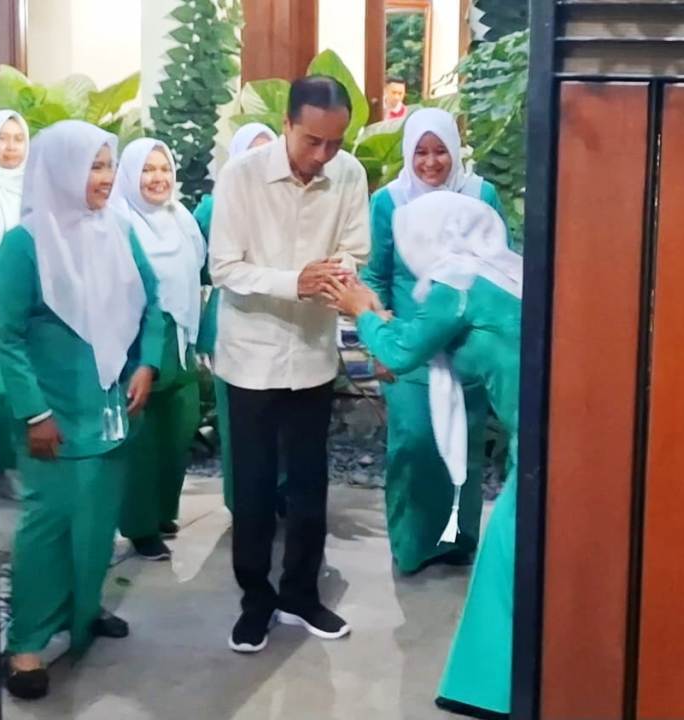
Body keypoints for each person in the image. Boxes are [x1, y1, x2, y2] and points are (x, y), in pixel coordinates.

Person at [327, 191, 522, 720]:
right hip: (553, 428)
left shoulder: (456, 284)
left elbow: (401, 350)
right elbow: (430, 342)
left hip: (544, 439)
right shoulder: (502, 273)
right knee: (515, 550)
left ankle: (491, 690)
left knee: (508, 549)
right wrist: (385, 327)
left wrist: (360, 311)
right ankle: (494, 683)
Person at [0, 120, 165, 700]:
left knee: (96, 522)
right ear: (61, 170)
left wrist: (148, 364)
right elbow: (6, 337)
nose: (105, 177)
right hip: (54, 417)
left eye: (108, 164)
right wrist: (34, 413)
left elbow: (152, 302)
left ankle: (84, 612)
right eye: (93, 166)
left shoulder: (117, 229)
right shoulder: (24, 245)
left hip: (114, 407)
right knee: (49, 527)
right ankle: (25, 644)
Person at [209, 76, 369, 654]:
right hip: (250, 356)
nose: (323, 155)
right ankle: (256, 600)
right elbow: (224, 267)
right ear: (287, 124)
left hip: (312, 354)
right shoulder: (241, 177)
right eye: (312, 141)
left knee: (308, 486)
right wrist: (294, 281)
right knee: (253, 488)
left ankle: (301, 594)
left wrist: (337, 271)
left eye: (334, 143)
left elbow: (356, 248)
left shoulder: (348, 174)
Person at [361, 107, 507, 574]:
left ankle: (458, 543)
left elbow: (501, 263)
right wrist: (378, 340)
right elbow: (375, 274)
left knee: (461, 447)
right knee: (415, 446)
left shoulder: (480, 195)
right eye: (420, 152)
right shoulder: (389, 202)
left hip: (467, 349)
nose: (430, 162)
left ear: (455, 151)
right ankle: (412, 546)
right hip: (410, 349)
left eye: (440, 151)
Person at [112, 138, 207, 560]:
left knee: (178, 431)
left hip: (181, 338)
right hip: (138, 344)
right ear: (130, 175)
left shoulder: (181, 218)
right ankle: (139, 525)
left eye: (164, 168)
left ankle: (163, 510)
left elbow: (197, 274)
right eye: (147, 170)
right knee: (142, 440)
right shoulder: (119, 221)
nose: (158, 178)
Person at [193, 122, 280, 515]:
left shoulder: (286, 200)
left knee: (280, 417)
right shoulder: (213, 206)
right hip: (231, 318)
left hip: (280, 319)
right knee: (237, 419)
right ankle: (243, 500)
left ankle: (278, 494)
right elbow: (198, 263)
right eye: (251, 152)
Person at [0, 110, 30, 482]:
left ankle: (21, 466)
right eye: (3, 138)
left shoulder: (35, 189)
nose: (11, 147)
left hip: (31, 298)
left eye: (18, 139)